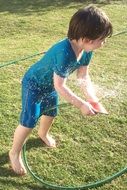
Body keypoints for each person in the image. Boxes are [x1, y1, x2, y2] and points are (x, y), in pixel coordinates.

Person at [9, 5, 113, 175]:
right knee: (28, 121)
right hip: (34, 84)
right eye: (102, 39)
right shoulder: (64, 52)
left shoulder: (86, 51)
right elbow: (60, 86)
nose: (104, 42)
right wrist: (80, 104)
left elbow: (83, 77)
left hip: (50, 84)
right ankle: (14, 152)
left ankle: (43, 134)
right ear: (87, 39)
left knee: (51, 113)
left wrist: (92, 99)